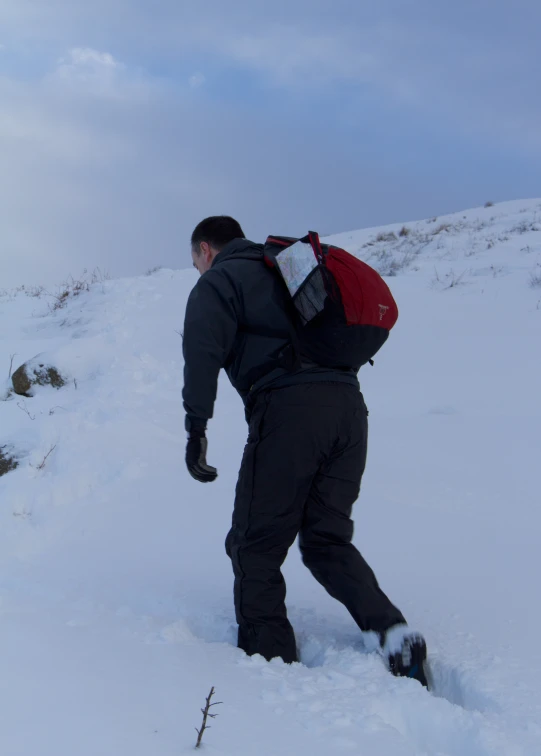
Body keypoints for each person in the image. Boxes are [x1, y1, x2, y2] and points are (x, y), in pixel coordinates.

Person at [182, 215, 428, 686]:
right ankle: (395, 635)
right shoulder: (289, 264)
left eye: (195, 261)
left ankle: (271, 678)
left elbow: (201, 351)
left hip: (290, 413)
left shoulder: (221, 279)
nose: (197, 270)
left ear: (206, 250)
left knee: (254, 544)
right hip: (349, 412)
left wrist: (197, 427)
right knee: (325, 540)